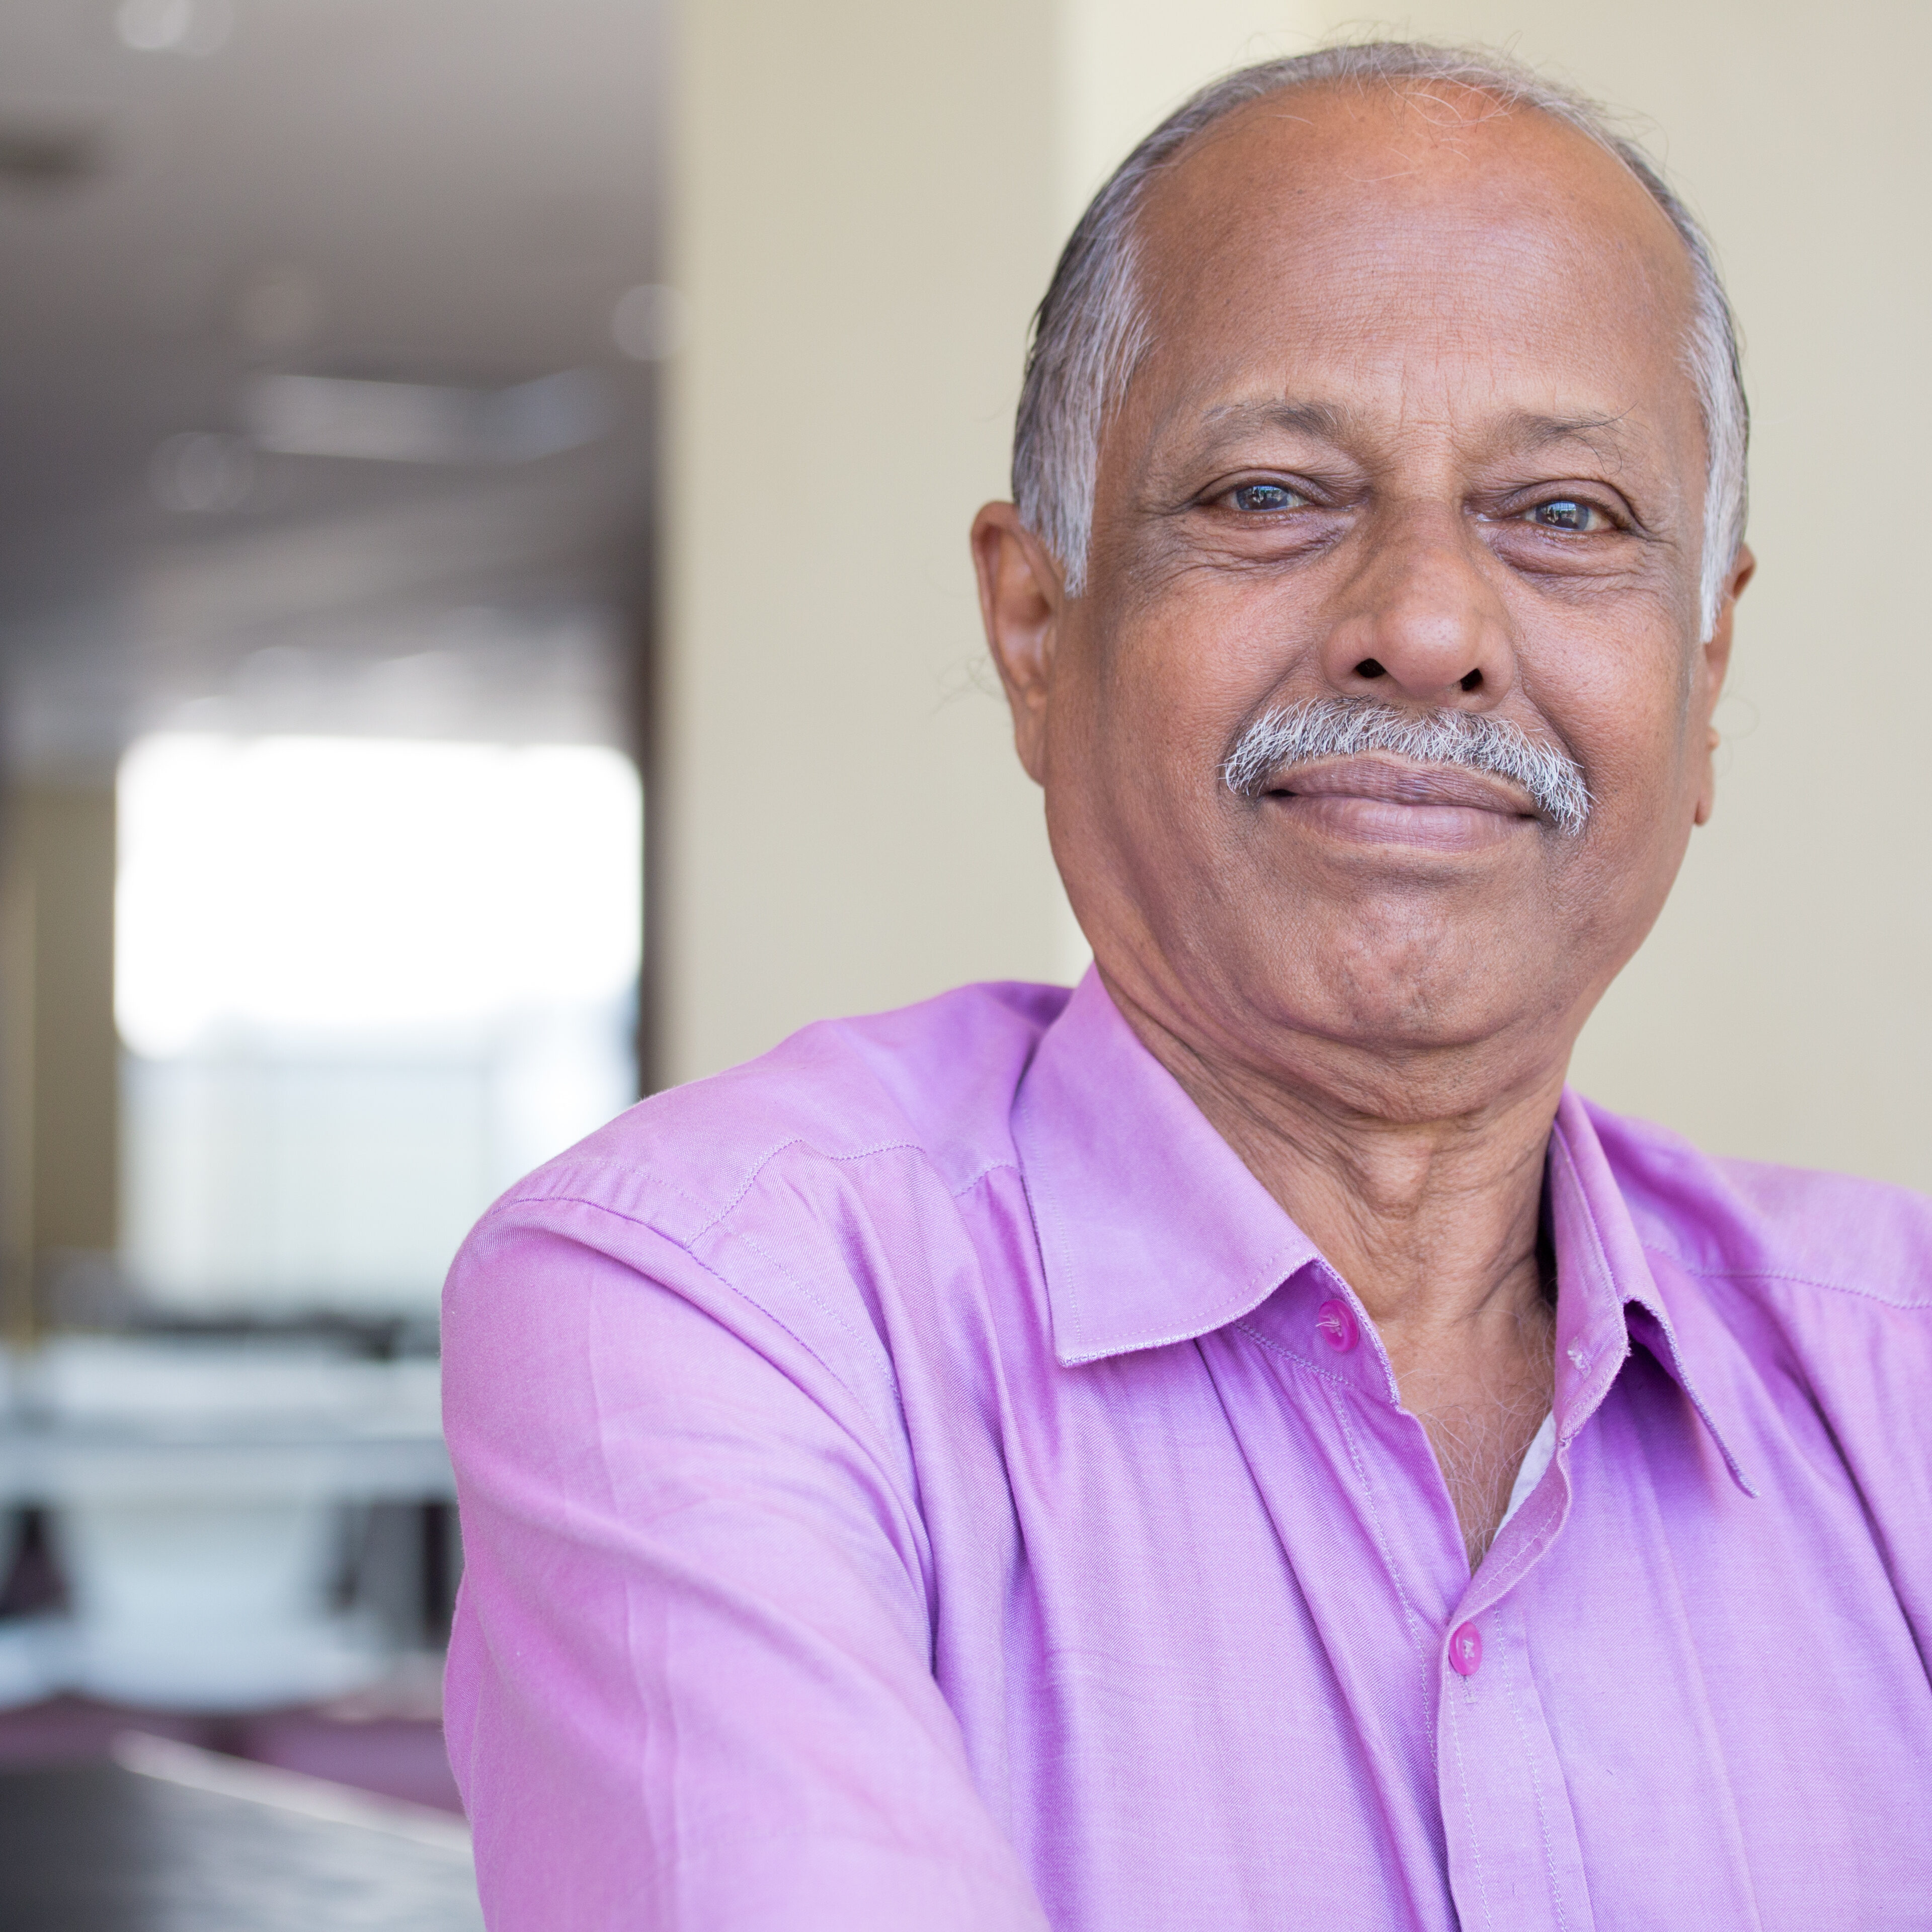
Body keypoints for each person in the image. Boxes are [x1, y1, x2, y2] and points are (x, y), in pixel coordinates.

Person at [441, 42, 1932, 1930]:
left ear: (1704, 682)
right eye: (1272, 492)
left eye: (1564, 515)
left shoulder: (1900, 1372)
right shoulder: (713, 1316)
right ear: (1037, 626)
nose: (1429, 630)